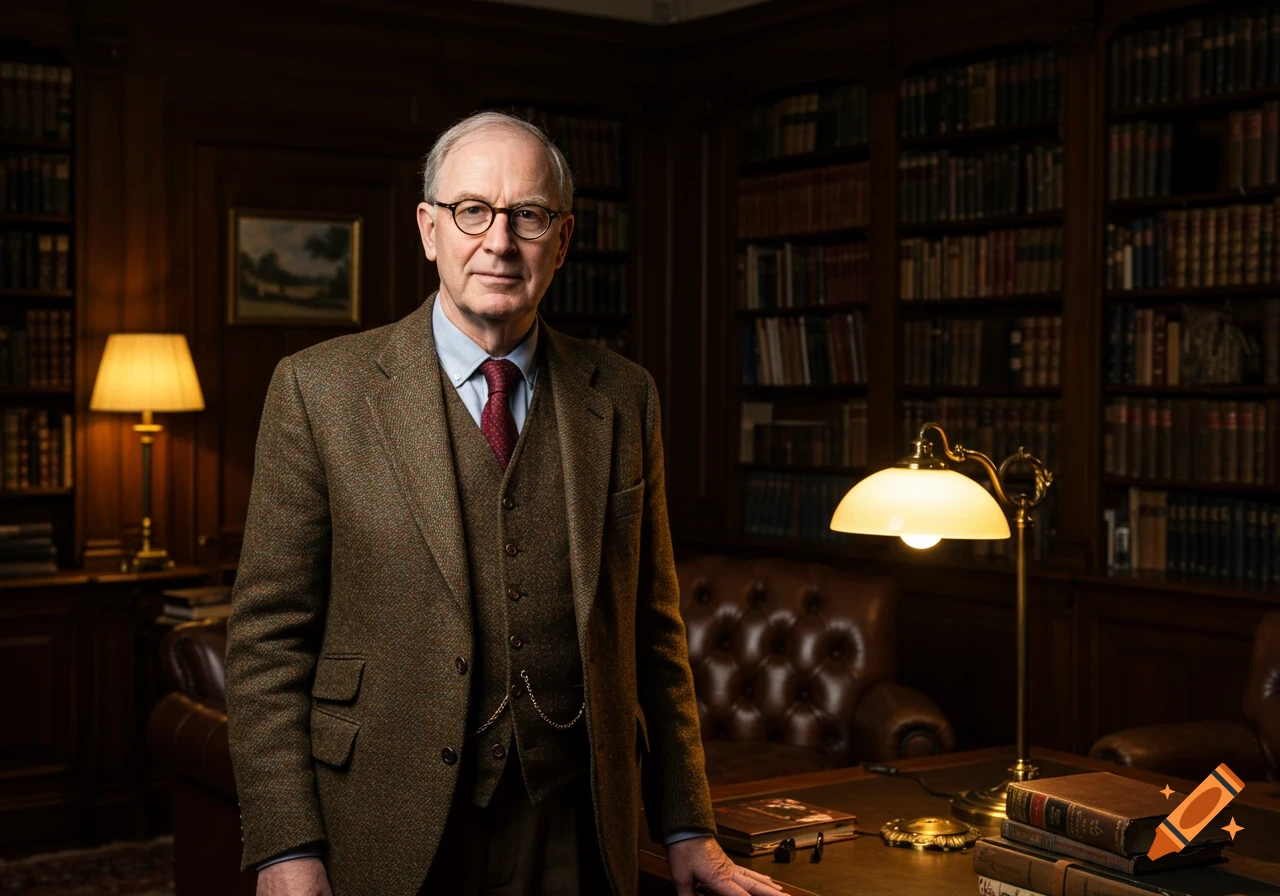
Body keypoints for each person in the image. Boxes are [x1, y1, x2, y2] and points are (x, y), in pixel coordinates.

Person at [224, 111, 784, 896]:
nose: (499, 241)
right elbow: (266, 641)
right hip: (386, 818)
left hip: (576, 823)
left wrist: (689, 826)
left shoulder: (626, 396)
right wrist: (286, 846)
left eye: (528, 215)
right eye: (472, 211)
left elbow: (652, 631)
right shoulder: (318, 391)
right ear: (429, 228)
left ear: (562, 239)